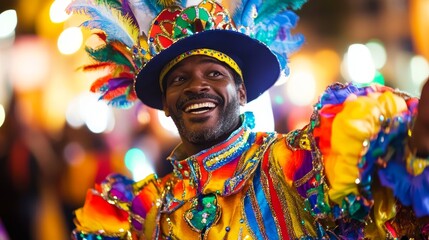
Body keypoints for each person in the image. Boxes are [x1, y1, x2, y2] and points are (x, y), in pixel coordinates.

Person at [66, 0, 429, 239]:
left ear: (241, 93)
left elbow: (386, 152)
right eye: (179, 79)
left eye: (214, 74)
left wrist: (413, 135)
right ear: (165, 104)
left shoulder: (292, 166)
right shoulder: (145, 212)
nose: (196, 87)